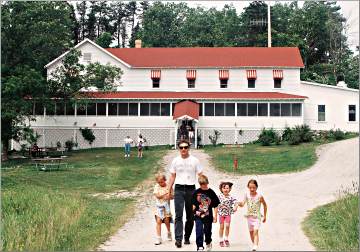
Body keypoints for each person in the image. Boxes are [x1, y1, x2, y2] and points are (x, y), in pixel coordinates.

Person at [167, 139, 203, 248]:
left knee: (190, 216)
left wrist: (202, 190)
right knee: (178, 215)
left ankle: (187, 236)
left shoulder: (195, 160)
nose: (183, 149)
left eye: (185, 147)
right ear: (179, 148)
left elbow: (200, 175)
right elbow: (172, 176)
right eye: (181, 147)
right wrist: (169, 189)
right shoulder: (175, 161)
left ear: (189, 148)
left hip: (191, 189)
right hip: (178, 189)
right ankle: (178, 239)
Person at [192, 174, 220, 251]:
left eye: (204, 184)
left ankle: (208, 242)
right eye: (201, 184)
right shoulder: (196, 192)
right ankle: (200, 246)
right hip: (198, 216)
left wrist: (215, 216)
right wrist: (193, 213)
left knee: (207, 231)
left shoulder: (211, 192)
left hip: (208, 216)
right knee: (199, 230)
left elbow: (216, 205)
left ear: (207, 183)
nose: (203, 186)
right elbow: (193, 205)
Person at [238, 179, 268, 251]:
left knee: (255, 231)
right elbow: (242, 204)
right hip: (249, 217)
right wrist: (238, 204)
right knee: (251, 233)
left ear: (256, 187)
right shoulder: (247, 195)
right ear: (248, 187)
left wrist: (265, 216)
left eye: (253, 187)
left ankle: (255, 246)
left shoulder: (259, 196)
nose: (252, 189)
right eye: (250, 187)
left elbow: (265, 205)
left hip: (257, 217)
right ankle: (254, 245)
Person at [153, 173, 173, 245]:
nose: (160, 183)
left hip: (166, 207)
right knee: (158, 221)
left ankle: (169, 232)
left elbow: (172, 197)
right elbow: (157, 196)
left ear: (165, 180)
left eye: (162, 182)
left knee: (167, 221)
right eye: (159, 182)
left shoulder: (169, 187)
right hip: (158, 207)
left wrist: (169, 196)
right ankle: (159, 238)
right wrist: (165, 194)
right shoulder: (156, 187)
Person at [217, 182, 238, 247]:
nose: (226, 189)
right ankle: (221, 240)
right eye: (224, 188)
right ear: (221, 189)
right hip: (221, 214)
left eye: (227, 188)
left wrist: (235, 207)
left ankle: (226, 239)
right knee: (222, 227)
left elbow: (236, 202)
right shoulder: (219, 196)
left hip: (228, 214)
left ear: (229, 189)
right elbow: (216, 204)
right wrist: (220, 206)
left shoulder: (231, 197)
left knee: (227, 226)